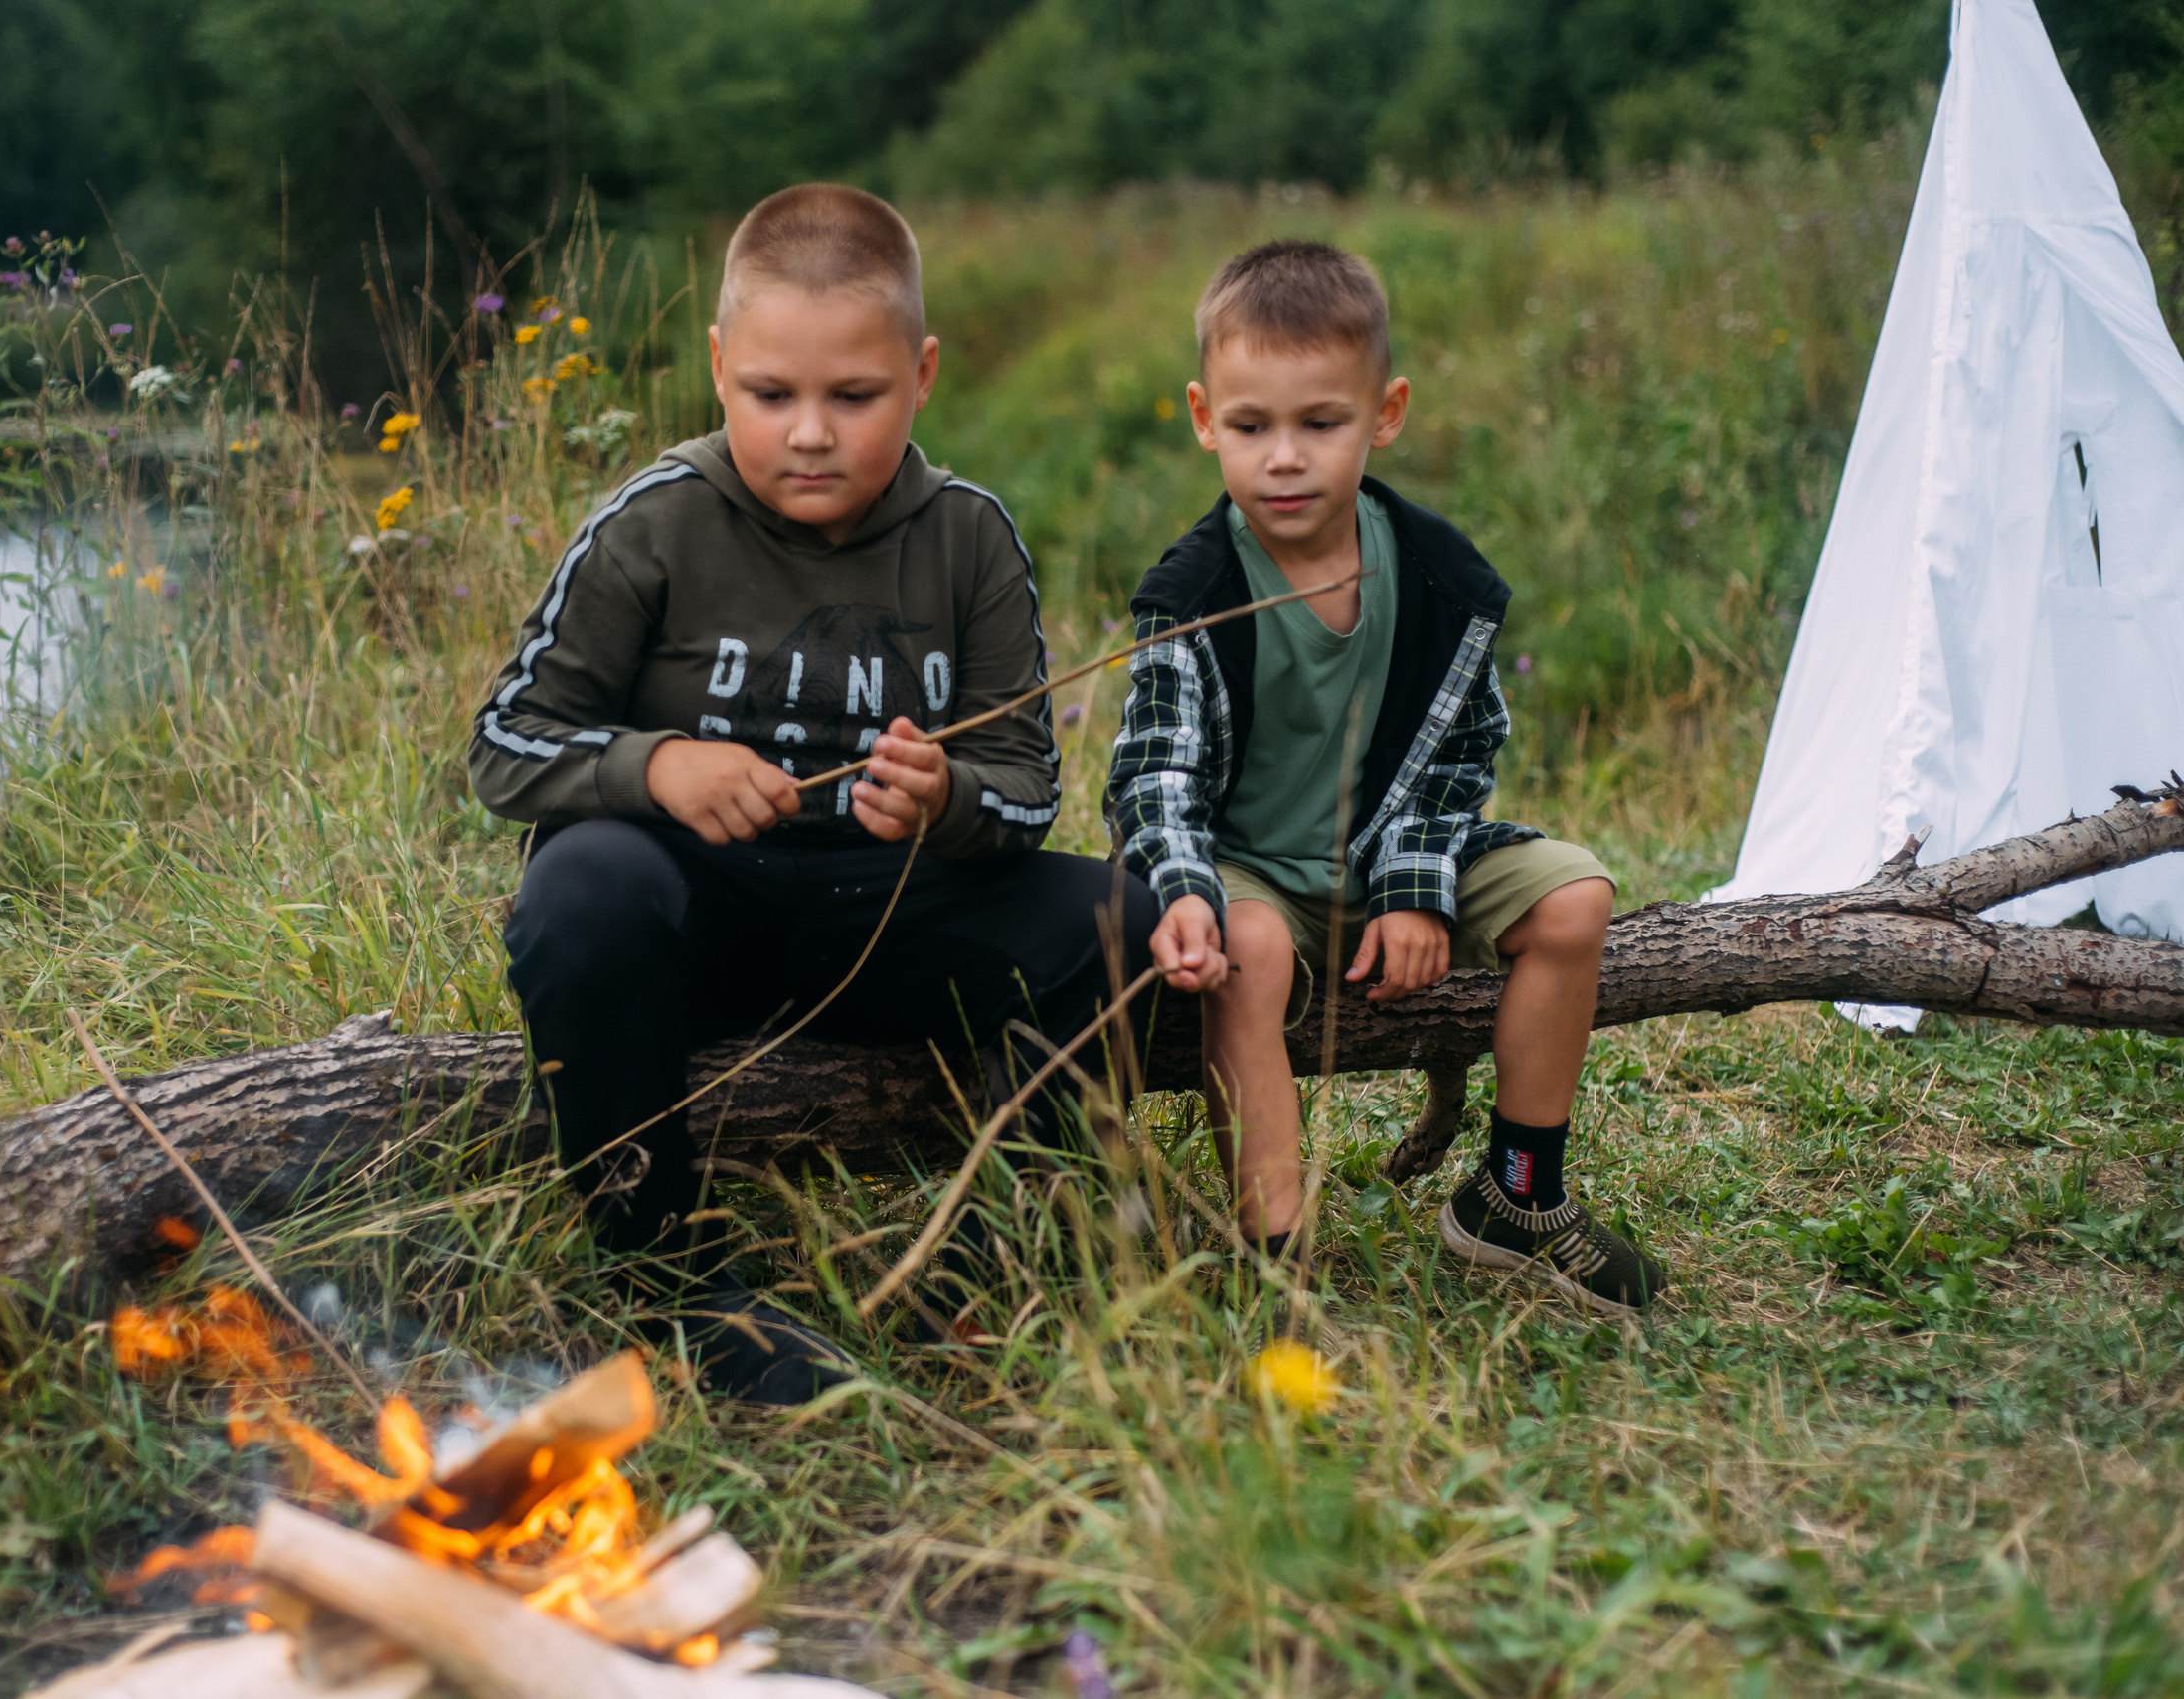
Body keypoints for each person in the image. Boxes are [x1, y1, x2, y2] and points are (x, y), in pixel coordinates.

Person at [472, 184, 1157, 1403]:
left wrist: (944, 796)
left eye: (856, 396)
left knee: (1120, 913)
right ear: (720, 365)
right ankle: (666, 1271)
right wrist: (655, 767)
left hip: (893, 915)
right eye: (770, 394)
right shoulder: (655, 524)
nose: (809, 433)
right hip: (700, 919)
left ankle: (1015, 1245)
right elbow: (506, 746)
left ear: (923, 372)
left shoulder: (969, 540)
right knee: (583, 885)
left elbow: (1027, 788)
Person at [1105, 240, 1663, 1314]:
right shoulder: (1195, 592)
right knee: (1250, 953)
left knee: (1575, 895)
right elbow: (1152, 772)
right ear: (1202, 417)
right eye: (1252, 425)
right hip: (1251, 872)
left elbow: (1463, 749)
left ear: (1385, 411)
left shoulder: (1439, 577)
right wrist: (1183, 887)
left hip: (1389, 862)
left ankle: (1517, 1193)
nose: (1284, 457)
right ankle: (1277, 1250)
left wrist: (1416, 883)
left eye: (1321, 423)